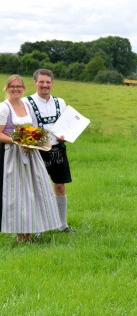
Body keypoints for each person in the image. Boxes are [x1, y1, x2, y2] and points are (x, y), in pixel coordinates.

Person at [0, 75, 61, 242]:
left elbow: (34, 128)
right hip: (13, 155)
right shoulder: (4, 108)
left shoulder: (26, 104)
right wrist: (18, 141)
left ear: (23, 89)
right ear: (7, 88)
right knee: (18, 194)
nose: (16, 89)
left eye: (19, 86)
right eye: (12, 86)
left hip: (31, 153)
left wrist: (34, 141)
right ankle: (21, 236)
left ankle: (34, 229)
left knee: (35, 190)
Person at [27, 69, 74, 232]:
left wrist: (66, 135)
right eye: (41, 82)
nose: (45, 85)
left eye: (48, 82)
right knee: (37, 188)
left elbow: (67, 124)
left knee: (60, 186)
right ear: (35, 83)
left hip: (58, 149)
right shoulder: (27, 102)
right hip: (37, 151)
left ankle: (62, 225)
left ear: (52, 83)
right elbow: (24, 128)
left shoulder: (60, 102)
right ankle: (38, 228)